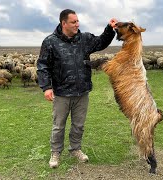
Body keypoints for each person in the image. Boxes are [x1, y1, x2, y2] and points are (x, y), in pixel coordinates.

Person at [37, 9, 118, 168]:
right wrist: (46, 87)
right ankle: (56, 153)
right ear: (64, 23)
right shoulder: (50, 42)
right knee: (59, 124)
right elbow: (43, 66)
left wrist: (109, 29)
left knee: (78, 124)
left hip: (82, 91)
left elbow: (101, 42)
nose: (77, 24)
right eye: (73, 22)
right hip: (61, 93)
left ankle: (75, 149)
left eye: (78, 21)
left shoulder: (85, 39)